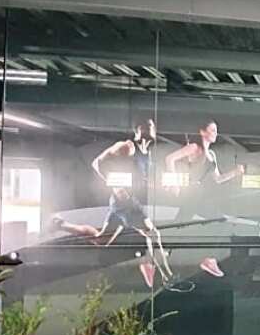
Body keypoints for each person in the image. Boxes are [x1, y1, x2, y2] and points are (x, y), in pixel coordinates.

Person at [53, 119, 172, 288]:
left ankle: (60, 224)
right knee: (152, 234)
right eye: (147, 125)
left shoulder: (146, 153)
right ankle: (165, 276)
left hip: (124, 202)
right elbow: (97, 163)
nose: (151, 128)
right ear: (138, 129)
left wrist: (159, 185)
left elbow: (141, 180)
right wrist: (116, 186)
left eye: (152, 126)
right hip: (126, 203)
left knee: (101, 239)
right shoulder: (127, 147)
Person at [164, 120, 245, 278]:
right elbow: (169, 159)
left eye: (216, 130)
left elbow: (218, 179)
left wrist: (235, 172)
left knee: (181, 223)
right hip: (191, 192)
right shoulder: (194, 147)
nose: (216, 133)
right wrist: (174, 183)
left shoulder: (211, 155)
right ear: (202, 132)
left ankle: (164, 251)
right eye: (212, 130)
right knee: (189, 222)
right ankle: (206, 259)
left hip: (200, 194)